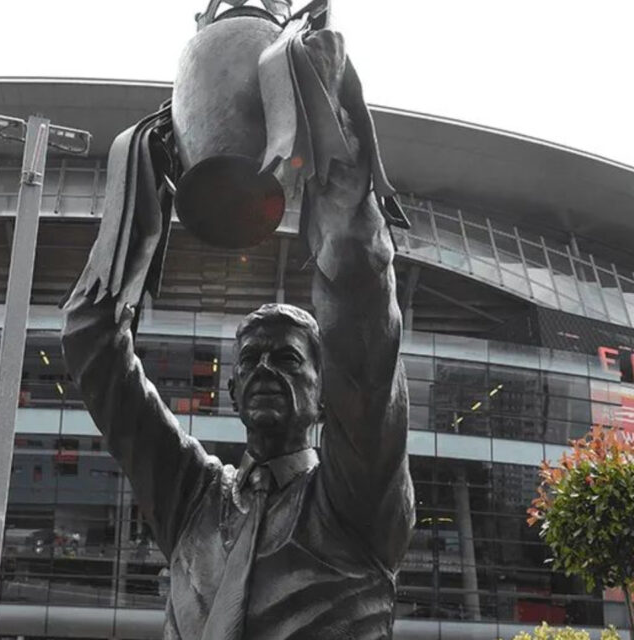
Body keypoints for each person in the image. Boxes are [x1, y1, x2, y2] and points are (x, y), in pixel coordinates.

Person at [62, 88, 414, 639]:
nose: (266, 371)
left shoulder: (353, 500)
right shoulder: (191, 498)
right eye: (250, 360)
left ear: (326, 395)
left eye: (288, 359)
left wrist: (330, 140)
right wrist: (139, 192)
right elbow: (93, 344)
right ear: (231, 393)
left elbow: (365, 335)